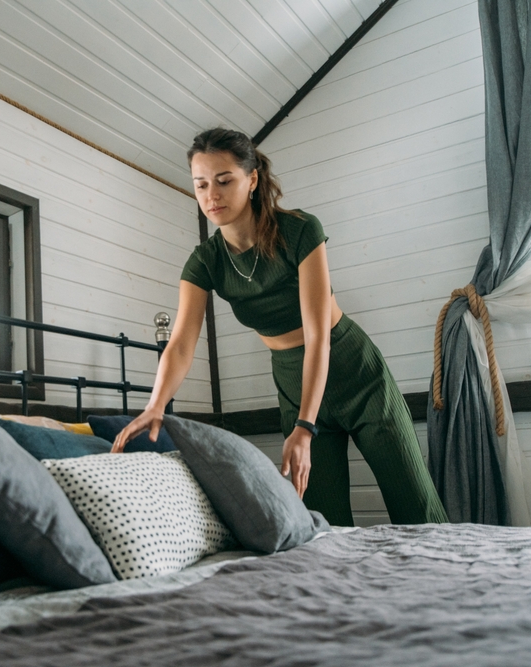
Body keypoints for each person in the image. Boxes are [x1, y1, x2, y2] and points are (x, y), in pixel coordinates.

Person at [110, 128, 447, 527]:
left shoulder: (300, 230)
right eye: (200, 185)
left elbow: (319, 333)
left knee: (416, 503)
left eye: (224, 181)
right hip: (292, 377)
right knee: (323, 517)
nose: (211, 196)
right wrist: (155, 405)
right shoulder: (204, 262)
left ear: (251, 180)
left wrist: (306, 425)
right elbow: (181, 343)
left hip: (352, 368)